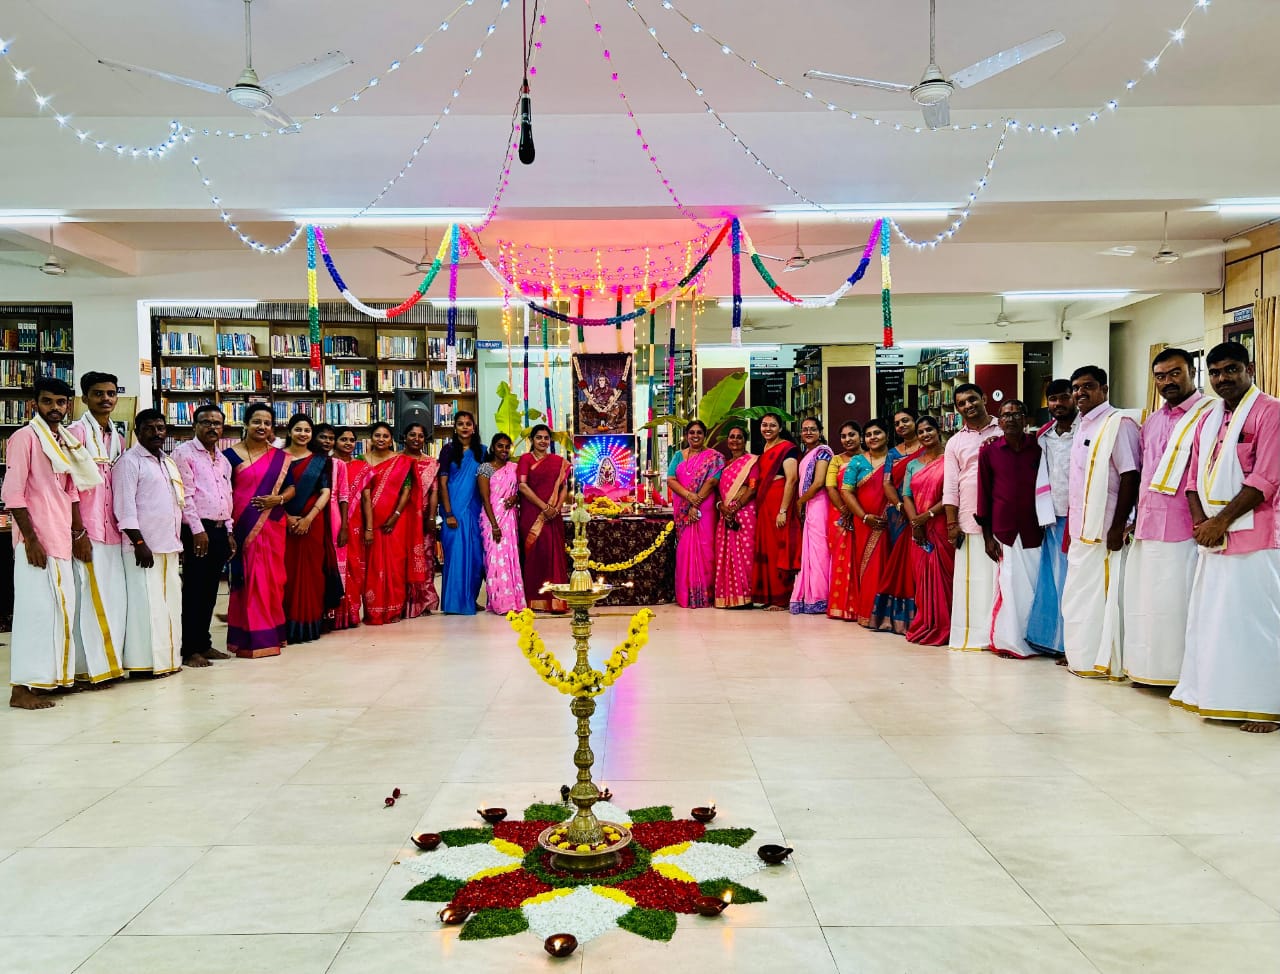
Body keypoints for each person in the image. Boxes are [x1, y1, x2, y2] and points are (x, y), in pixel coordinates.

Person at [1172, 342, 1280, 732]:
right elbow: (1191, 479)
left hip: (1256, 536)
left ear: (1250, 368)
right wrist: (1202, 522)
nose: (1223, 379)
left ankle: (1266, 706)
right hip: (1213, 538)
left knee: (1256, 622)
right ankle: (1220, 696)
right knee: (1215, 622)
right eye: (1215, 373)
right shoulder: (1210, 418)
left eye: (1231, 369)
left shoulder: (1271, 412)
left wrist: (1221, 522)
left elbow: (1266, 479)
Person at [5, 377, 100, 708]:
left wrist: (78, 533)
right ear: (35, 404)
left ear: (68, 405)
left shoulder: (64, 441)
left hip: (60, 538)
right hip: (37, 541)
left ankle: (51, 680)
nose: (55, 408)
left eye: (61, 403)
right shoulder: (24, 438)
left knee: (61, 613)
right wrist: (30, 540)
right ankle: (21, 688)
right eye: (47, 402)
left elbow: (72, 491)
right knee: (36, 614)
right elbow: (13, 494)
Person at [1122, 349, 1212, 686]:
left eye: (1175, 373)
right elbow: (1144, 471)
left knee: (1180, 602)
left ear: (1191, 372)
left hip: (1185, 527)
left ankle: (1182, 675)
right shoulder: (1153, 420)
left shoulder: (1209, 414)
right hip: (1148, 525)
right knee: (1149, 603)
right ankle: (1150, 670)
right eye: (1160, 376)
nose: (1167, 381)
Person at [1061, 366, 1140, 679]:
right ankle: (1081, 658)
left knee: (1102, 599)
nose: (1080, 393)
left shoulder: (1118, 423)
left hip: (1106, 529)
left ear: (1104, 390)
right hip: (1082, 529)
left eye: (1088, 386)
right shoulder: (1084, 426)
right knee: (1079, 599)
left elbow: (1130, 475)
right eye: (1076, 388)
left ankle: (1104, 662)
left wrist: (1117, 526)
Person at [112, 409, 184, 676]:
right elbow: (124, 507)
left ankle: (168, 661)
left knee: (169, 605)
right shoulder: (129, 462)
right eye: (149, 428)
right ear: (137, 431)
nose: (156, 433)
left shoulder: (167, 461)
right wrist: (139, 542)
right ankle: (144, 664)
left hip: (169, 545)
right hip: (143, 548)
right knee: (146, 607)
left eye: (160, 428)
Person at [65, 371, 126, 686]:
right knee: (87, 600)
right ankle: (86, 669)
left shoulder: (118, 437)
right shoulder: (75, 433)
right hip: (86, 531)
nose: (106, 399)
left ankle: (108, 664)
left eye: (111, 393)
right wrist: (77, 531)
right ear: (84, 398)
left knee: (111, 599)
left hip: (113, 530)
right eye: (99, 393)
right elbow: (69, 486)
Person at [976, 400, 1046, 659]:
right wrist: (987, 537)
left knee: (1034, 586)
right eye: (1006, 415)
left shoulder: (1038, 447)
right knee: (1008, 586)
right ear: (1000, 421)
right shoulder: (990, 451)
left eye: (1017, 414)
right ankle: (1007, 640)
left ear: (1025, 418)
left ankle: (1035, 638)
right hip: (1003, 531)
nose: (1011, 419)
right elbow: (983, 493)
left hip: (1034, 529)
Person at [225, 402, 294, 658]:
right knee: (249, 580)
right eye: (257, 421)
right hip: (243, 527)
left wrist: (279, 500)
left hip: (273, 524)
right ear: (245, 424)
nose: (262, 427)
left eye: (267, 423)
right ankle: (250, 639)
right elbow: (225, 491)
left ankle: (272, 634)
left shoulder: (280, 458)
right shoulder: (229, 456)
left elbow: (291, 488)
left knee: (273, 581)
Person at [172, 404, 235, 666]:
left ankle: (204, 643)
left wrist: (229, 530)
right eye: (206, 422)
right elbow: (184, 495)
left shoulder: (223, 459)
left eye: (217, 423)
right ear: (194, 425)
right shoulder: (183, 454)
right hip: (197, 531)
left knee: (211, 592)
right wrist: (197, 531)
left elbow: (226, 496)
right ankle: (189, 649)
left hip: (220, 530)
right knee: (194, 591)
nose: (212, 427)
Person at [942, 383, 1002, 650]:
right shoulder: (955, 442)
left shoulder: (1006, 429)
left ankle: (1001, 634)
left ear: (984, 398)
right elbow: (950, 486)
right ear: (957, 409)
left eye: (972, 399)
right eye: (961, 403)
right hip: (969, 518)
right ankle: (974, 637)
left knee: (1001, 579)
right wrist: (952, 523)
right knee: (973, 581)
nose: (968, 405)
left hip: (1003, 517)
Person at [348, 422, 417, 625]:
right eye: (377, 435)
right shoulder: (361, 460)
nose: (381, 439)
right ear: (371, 438)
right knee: (371, 566)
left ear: (391, 439)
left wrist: (394, 516)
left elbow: (407, 490)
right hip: (368, 521)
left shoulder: (401, 461)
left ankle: (394, 609)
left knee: (395, 565)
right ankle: (373, 611)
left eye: (385, 436)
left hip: (395, 522)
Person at [1026, 380, 1076, 656]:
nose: (1058, 404)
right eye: (1053, 399)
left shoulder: (1087, 431)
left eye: (1064, 397)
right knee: (1055, 580)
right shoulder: (1043, 436)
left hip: (1081, 518)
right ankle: (1056, 641)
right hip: (1052, 518)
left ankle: (1076, 644)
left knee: (1076, 582)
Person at [280, 414, 341, 644]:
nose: (303, 434)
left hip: (312, 524)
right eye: (298, 429)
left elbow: (326, 491)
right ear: (289, 431)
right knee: (286, 573)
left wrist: (308, 518)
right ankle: (285, 625)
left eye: (307, 430)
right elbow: (273, 490)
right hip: (282, 524)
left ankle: (308, 625)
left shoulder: (320, 460)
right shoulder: (277, 458)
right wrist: (285, 517)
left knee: (313, 573)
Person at [872, 409, 925, 633]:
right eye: (897, 423)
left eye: (906, 420)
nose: (901, 425)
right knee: (900, 563)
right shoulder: (893, 454)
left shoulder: (928, 448)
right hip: (899, 514)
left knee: (921, 561)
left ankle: (925, 613)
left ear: (916, 422)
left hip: (924, 509)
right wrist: (901, 506)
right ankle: (899, 618)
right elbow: (887, 483)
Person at [836, 417, 892, 627]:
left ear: (886, 435)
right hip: (865, 523)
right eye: (868, 434)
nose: (872, 438)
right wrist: (864, 516)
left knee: (891, 566)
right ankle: (869, 614)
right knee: (869, 567)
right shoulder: (858, 462)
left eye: (877, 433)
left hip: (892, 522)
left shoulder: (894, 458)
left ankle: (890, 616)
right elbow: (846, 491)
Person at [903, 417, 953, 646]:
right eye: (921, 431)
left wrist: (928, 516)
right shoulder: (913, 465)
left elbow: (952, 493)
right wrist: (916, 521)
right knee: (923, 579)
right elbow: (906, 495)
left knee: (945, 577)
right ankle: (927, 622)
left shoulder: (950, 459)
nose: (925, 434)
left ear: (938, 430)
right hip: (918, 530)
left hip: (941, 524)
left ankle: (949, 624)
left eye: (929, 429)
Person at [669, 419, 725, 609]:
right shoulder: (678, 455)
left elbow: (712, 482)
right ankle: (687, 595)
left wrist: (696, 503)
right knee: (685, 549)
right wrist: (688, 496)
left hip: (705, 506)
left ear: (704, 435)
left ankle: (705, 595)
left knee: (705, 547)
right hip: (684, 506)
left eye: (699, 433)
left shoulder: (714, 457)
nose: (695, 436)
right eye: (691, 432)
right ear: (686, 435)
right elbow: (670, 479)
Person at [518, 423, 570, 612]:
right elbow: (522, 487)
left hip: (552, 517)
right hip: (532, 514)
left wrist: (556, 508)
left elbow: (564, 487)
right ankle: (534, 600)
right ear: (532, 440)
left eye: (546, 438)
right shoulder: (525, 459)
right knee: (534, 557)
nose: (542, 441)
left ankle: (556, 601)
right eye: (538, 437)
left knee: (552, 555)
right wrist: (545, 507)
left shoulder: (558, 461)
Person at [439, 411, 486, 615]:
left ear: (474, 427)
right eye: (460, 424)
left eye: (468, 424)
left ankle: (470, 598)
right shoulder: (448, 450)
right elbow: (442, 483)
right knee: (456, 555)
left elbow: (489, 480)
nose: (465, 427)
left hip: (475, 510)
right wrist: (448, 512)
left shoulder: (482, 452)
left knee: (476, 557)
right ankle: (453, 602)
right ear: (455, 427)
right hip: (454, 511)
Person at [751, 412, 800, 609]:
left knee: (781, 548)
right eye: (764, 425)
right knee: (768, 549)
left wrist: (783, 510)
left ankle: (783, 599)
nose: (768, 429)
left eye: (772, 425)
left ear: (780, 428)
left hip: (779, 503)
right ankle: (770, 596)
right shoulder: (763, 449)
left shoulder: (787, 449)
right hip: (765, 504)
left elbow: (792, 479)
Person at [477, 432, 526, 615]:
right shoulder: (485, 468)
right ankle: (499, 602)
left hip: (510, 518)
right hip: (492, 519)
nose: (504, 450)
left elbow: (521, 489)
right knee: (495, 560)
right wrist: (495, 525)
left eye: (507, 446)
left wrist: (515, 497)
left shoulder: (514, 468)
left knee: (511, 558)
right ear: (492, 447)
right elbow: (485, 499)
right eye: (500, 446)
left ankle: (514, 600)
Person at [789, 418, 832, 614]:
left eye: (813, 429)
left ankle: (821, 596)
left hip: (819, 504)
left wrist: (800, 502)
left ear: (820, 431)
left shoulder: (823, 451)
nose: (808, 432)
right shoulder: (806, 454)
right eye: (805, 429)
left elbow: (819, 482)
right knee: (810, 551)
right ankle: (810, 595)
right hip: (809, 505)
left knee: (819, 551)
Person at [315, 423, 355, 631]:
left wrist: (345, 526)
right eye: (322, 437)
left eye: (330, 438)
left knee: (334, 568)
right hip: (311, 516)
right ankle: (313, 613)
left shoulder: (338, 465)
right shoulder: (307, 460)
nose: (327, 441)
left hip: (334, 517)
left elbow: (344, 495)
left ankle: (332, 614)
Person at [714, 423, 758, 609]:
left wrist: (736, 506)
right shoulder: (724, 465)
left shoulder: (752, 462)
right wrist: (721, 507)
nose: (735, 440)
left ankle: (747, 596)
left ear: (745, 440)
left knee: (746, 554)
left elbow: (753, 486)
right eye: (732, 437)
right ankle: (729, 596)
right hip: (726, 514)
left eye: (739, 437)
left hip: (745, 513)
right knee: (726, 555)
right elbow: (717, 491)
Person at [402, 422, 440, 618]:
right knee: (401, 559)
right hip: (400, 517)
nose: (416, 439)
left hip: (424, 518)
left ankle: (422, 601)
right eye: (412, 435)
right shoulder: (396, 460)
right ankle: (402, 602)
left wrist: (432, 516)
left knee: (424, 558)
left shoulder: (431, 462)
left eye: (420, 436)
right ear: (404, 436)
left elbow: (434, 492)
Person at [333, 426, 364, 629]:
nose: (348, 443)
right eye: (343, 439)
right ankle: (334, 613)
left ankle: (351, 613)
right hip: (334, 519)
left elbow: (367, 499)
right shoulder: (328, 464)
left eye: (351, 440)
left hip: (356, 524)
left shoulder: (362, 466)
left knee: (355, 568)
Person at [825, 421, 861, 549]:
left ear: (860, 437)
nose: (847, 439)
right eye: (843, 436)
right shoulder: (836, 460)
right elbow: (830, 487)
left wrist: (856, 510)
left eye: (852, 435)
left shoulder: (870, 457)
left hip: (864, 510)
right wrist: (844, 510)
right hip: (840, 511)